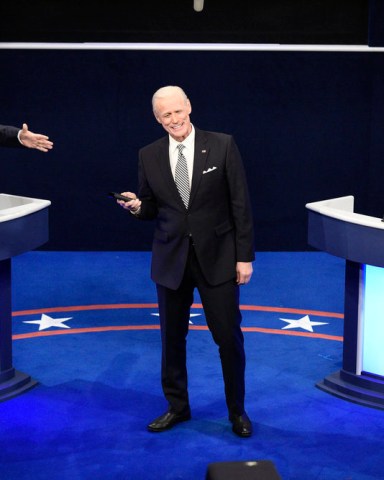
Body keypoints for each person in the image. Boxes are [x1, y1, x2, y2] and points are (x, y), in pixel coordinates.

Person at [117, 86, 255, 437]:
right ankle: (177, 407)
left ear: (189, 107)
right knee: (172, 339)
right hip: (171, 261)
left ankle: (237, 411)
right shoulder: (148, 155)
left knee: (227, 337)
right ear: (157, 119)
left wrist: (244, 257)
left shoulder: (222, 144)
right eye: (166, 115)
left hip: (219, 260)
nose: (175, 120)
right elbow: (151, 206)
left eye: (178, 111)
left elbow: (241, 205)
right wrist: (136, 206)